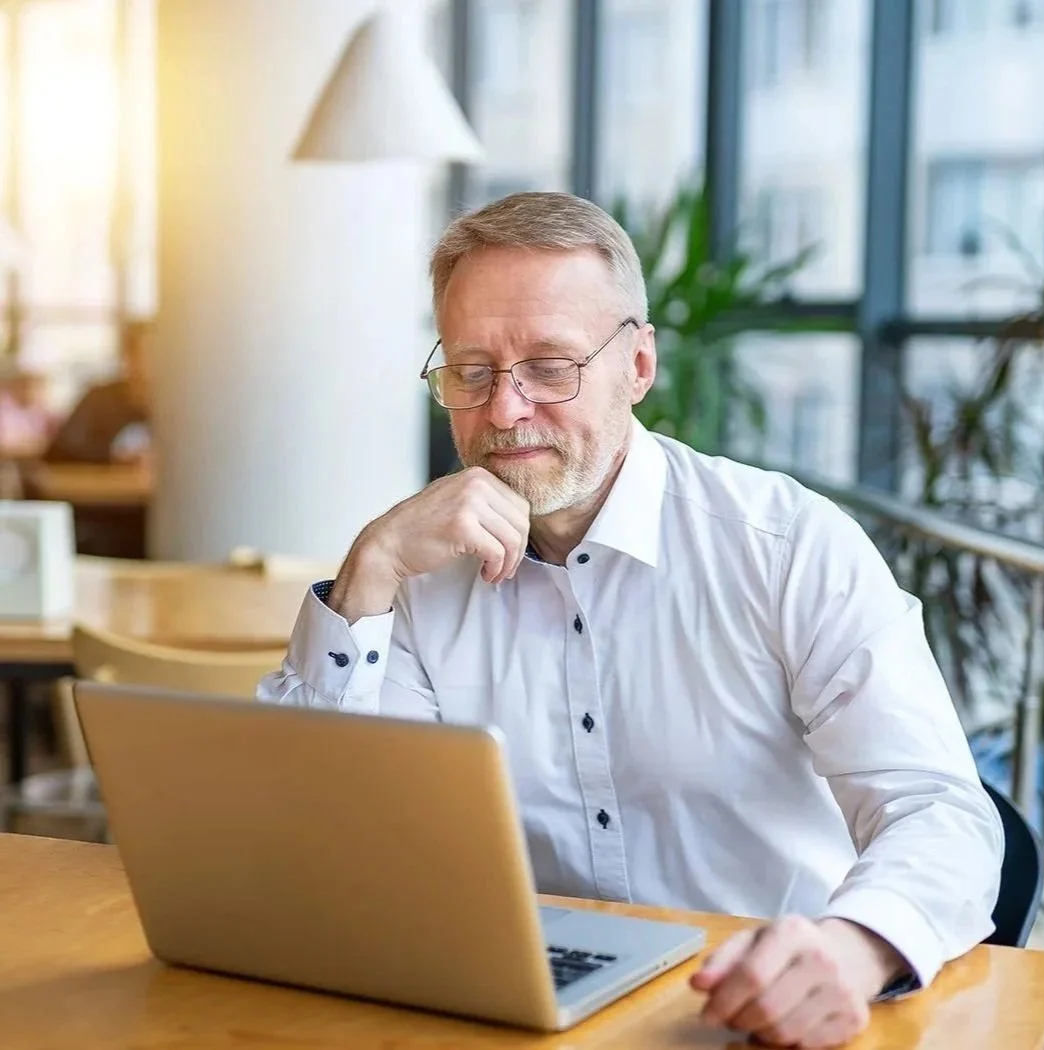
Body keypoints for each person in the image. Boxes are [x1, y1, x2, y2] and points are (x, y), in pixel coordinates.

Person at [258, 192, 1004, 1049]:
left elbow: (939, 811)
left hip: (765, 1014)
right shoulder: (417, 575)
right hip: (509, 1013)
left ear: (638, 367)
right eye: (471, 371)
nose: (504, 411)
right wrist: (370, 570)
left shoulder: (785, 545)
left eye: (549, 366)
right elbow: (328, 841)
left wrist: (856, 948)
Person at [43, 320, 152, 465]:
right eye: (144, 353)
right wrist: (113, 457)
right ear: (128, 357)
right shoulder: (98, 400)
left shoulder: (181, 406)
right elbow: (59, 453)